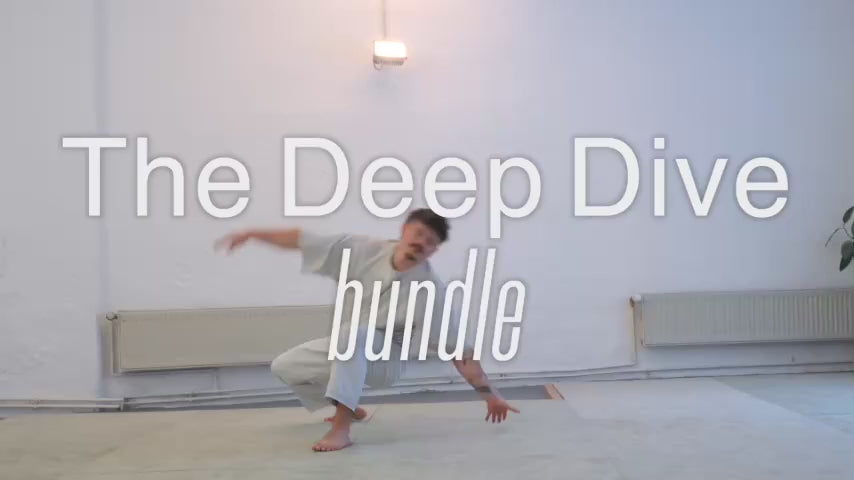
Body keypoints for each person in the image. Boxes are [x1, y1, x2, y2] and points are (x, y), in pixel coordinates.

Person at [215, 208, 519, 452]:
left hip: (387, 361)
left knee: (353, 335)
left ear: (433, 251)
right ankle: (350, 406)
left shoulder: (431, 291)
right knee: (285, 366)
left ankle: (341, 430)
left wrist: (490, 395)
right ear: (404, 229)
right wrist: (252, 234)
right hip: (351, 343)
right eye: (418, 234)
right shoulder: (363, 250)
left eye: (429, 242)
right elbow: (303, 239)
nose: (421, 243)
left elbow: (459, 351)